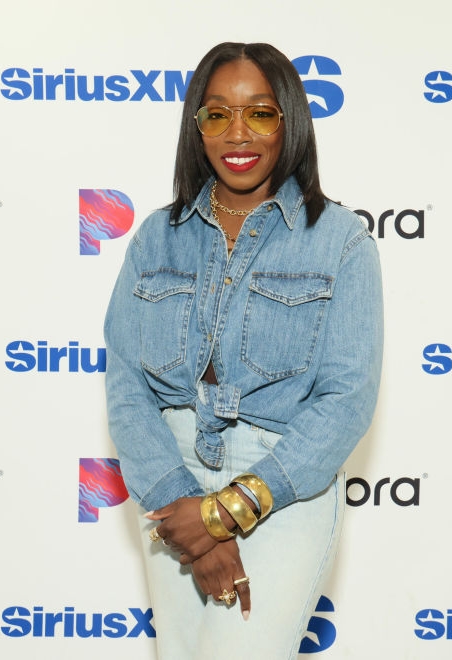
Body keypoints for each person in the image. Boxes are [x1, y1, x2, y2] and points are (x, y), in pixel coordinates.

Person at [104, 41, 383, 659]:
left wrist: (228, 510)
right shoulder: (157, 237)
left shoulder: (339, 241)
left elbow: (347, 397)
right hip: (169, 484)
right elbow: (126, 384)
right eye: (216, 114)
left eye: (259, 113)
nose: (238, 133)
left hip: (284, 486)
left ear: (289, 120)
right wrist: (186, 509)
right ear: (195, 126)